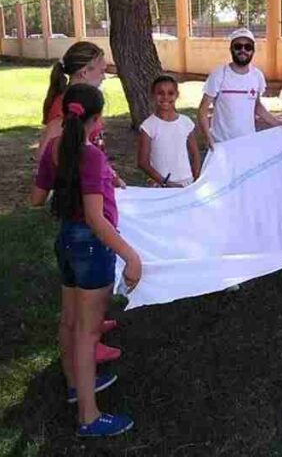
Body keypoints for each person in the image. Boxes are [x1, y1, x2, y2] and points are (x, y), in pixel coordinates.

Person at [31, 84, 141, 437]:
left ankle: (75, 386)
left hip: (66, 241)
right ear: (96, 118)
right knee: (86, 332)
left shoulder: (55, 148)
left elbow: (35, 199)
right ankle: (89, 417)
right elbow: (95, 218)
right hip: (91, 246)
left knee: (70, 321)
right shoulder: (89, 155)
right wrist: (130, 255)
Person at [37, 41, 122, 364]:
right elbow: (49, 149)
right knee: (82, 285)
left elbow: (84, 148)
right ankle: (89, 340)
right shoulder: (66, 107)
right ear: (85, 72)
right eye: (101, 68)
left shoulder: (80, 103)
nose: (105, 73)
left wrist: (107, 173)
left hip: (86, 200)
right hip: (83, 219)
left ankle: (94, 325)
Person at [197, 28, 282, 149]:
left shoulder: (257, 76)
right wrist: (207, 136)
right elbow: (202, 109)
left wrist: (277, 123)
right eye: (238, 46)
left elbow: (257, 106)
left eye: (248, 47)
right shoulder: (219, 74)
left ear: (253, 51)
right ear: (231, 49)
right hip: (221, 145)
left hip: (248, 144)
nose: (243, 50)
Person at [137, 74, 202, 187]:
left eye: (170, 93)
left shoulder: (185, 122)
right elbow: (143, 162)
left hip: (186, 182)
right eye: (160, 93)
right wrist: (165, 182)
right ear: (152, 95)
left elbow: (195, 154)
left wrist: (196, 178)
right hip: (161, 185)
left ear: (177, 95)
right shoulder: (148, 126)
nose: (165, 97)